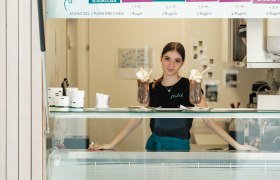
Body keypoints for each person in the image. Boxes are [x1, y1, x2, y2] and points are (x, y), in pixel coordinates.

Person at [89, 42, 258, 152]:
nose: (171, 64)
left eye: (177, 60)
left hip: (179, 148)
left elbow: (209, 121)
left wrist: (237, 146)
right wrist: (112, 144)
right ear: (161, 59)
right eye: (167, 59)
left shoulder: (190, 85)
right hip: (154, 148)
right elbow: (136, 119)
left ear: (182, 63)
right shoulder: (151, 86)